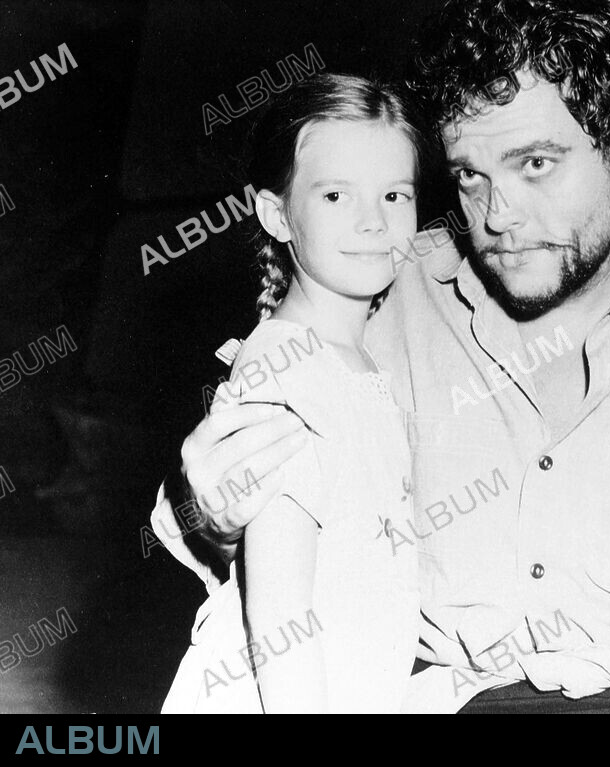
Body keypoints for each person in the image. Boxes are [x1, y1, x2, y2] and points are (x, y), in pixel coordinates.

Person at [154, 0, 610, 713]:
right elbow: (257, 522)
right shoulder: (379, 294)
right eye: (468, 175)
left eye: (537, 164)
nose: (497, 215)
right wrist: (205, 507)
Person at [160, 73, 425, 713]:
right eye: (336, 195)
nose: (373, 220)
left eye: (395, 194)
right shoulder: (287, 371)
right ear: (278, 215)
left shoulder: (352, 355)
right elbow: (281, 618)